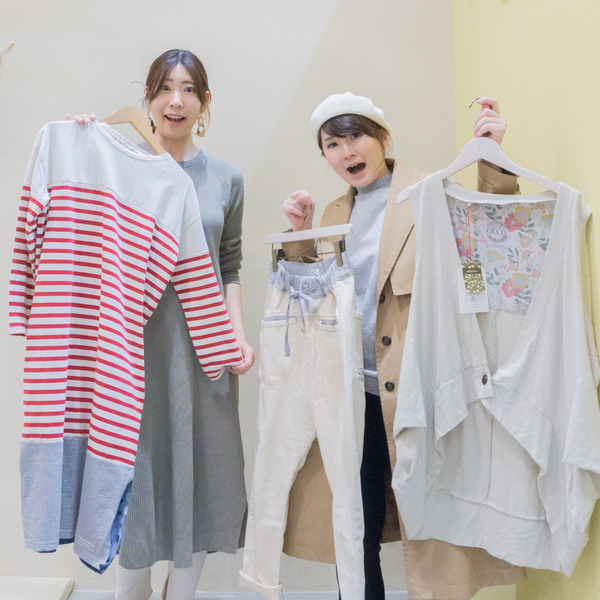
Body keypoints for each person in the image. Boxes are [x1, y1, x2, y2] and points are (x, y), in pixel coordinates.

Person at [279, 93, 526, 600]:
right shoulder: (335, 211)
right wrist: (300, 238)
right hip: (353, 396)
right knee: (355, 527)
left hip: (419, 393)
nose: (347, 151)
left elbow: (484, 244)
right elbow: (312, 303)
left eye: (356, 136)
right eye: (333, 144)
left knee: (433, 526)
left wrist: (492, 160)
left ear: (383, 138)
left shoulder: (430, 192)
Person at [70, 48, 255, 600]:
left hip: (204, 351)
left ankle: (183, 594)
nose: (176, 101)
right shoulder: (116, 167)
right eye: (164, 88)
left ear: (204, 102)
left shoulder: (225, 177)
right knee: (135, 474)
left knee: (203, 475)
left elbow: (229, 265)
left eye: (189, 89)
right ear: (147, 98)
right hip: (132, 352)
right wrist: (81, 144)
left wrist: (237, 335)